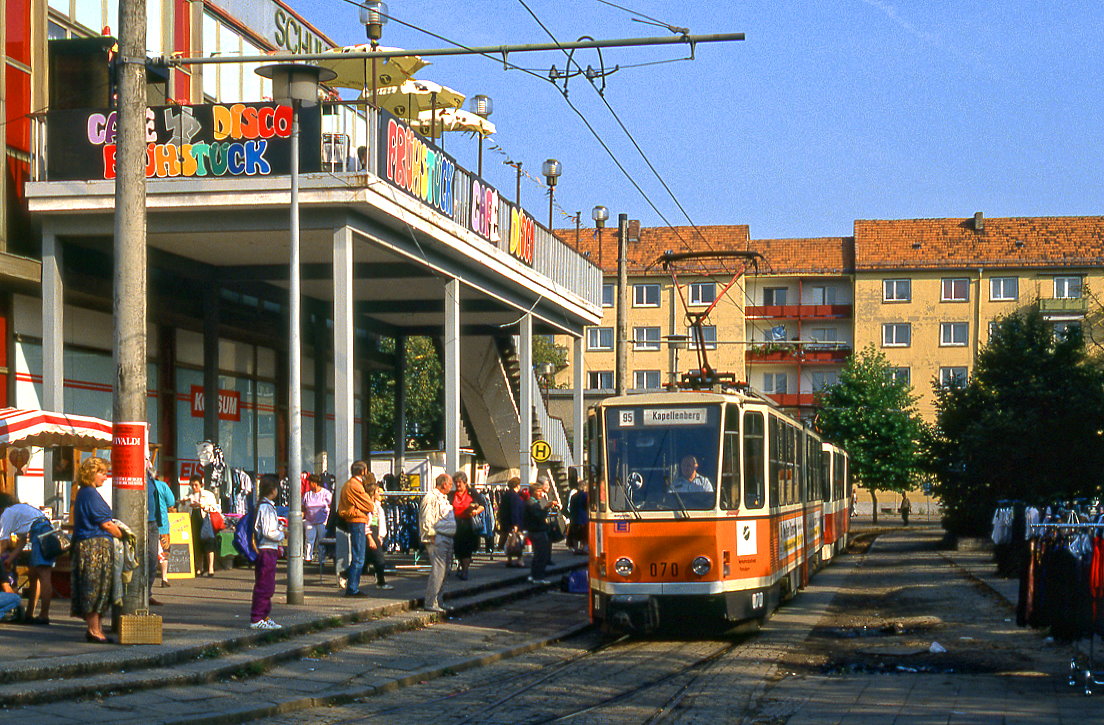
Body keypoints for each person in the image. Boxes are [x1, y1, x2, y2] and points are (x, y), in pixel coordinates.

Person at [70, 456, 123, 644]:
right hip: (94, 547)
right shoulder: (90, 494)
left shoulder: (84, 493)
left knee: (100, 588)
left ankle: (96, 628)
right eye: (102, 473)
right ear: (92, 473)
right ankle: (93, 630)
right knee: (95, 587)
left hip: (91, 545)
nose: (105, 477)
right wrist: (122, 534)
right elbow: (106, 524)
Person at [0, 493, 58, 624]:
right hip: (44, 532)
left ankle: (44, 615)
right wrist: (10, 559)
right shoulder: (19, 510)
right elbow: (21, 542)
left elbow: (3, 542)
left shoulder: (7, 513)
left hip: (40, 535)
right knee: (33, 575)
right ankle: (29, 613)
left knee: (44, 575)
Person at [250, 474, 285, 630]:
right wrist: (283, 534)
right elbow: (268, 531)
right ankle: (257, 617)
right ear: (273, 489)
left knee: (268, 584)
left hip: (269, 548)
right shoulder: (266, 508)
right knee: (264, 585)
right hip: (266, 549)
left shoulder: (266, 506)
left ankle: (264, 615)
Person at [419, 473, 455, 612]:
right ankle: (430, 602)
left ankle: (439, 600)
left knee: (445, 571)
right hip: (437, 539)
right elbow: (426, 518)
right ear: (444, 484)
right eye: (450, 484)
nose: (451, 487)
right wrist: (432, 535)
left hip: (447, 537)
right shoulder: (430, 497)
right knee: (438, 571)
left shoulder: (444, 498)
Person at [337, 461, 373, 597]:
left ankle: (350, 579)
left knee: (359, 556)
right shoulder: (355, 486)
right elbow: (369, 505)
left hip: (355, 520)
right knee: (359, 557)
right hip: (357, 520)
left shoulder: (350, 484)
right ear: (362, 471)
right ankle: (352, 588)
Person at [181, 474, 220, 577]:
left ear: (201, 485)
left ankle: (211, 568)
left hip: (205, 520)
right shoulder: (189, 496)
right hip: (193, 520)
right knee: (196, 544)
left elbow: (215, 508)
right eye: (192, 485)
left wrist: (202, 506)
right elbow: (182, 510)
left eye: (196, 485)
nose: (194, 487)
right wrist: (183, 504)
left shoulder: (208, 495)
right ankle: (199, 568)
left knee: (208, 543)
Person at [523, 478, 560, 585]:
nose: (541, 493)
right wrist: (547, 508)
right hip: (537, 531)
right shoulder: (532, 503)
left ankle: (534, 575)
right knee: (541, 555)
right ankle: (538, 577)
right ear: (532, 492)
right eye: (538, 491)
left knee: (537, 555)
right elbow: (539, 516)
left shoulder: (534, 502)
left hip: (536, 531)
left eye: (541, 491)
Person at [449, 471, 484, 581]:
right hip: (456, 524)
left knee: (467, 549)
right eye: (456, 483)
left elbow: (482, 506)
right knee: (458, 548)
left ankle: (465, 570)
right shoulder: (451, 494)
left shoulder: (472, 492)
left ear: (465, 482)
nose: (458, 485)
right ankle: (461, 567)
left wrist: (475, 511)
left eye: (460, 482)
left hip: (468, 524)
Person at [363, 480, 393, 590]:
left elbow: (381, 522)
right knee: (379, 558)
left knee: (366, 560)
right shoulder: (367, 506)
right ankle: (381, 582)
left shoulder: (377, 506)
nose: (380, 494)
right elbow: (366, 522)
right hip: (370, 532)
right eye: (377, 491)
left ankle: (344, 574)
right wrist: (370, 537)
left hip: (375, 532)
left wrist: (380, 536)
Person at [151, 474, 176, 588]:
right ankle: (164, 578)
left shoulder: (144, 485)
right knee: (164, 551)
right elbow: (171, 502)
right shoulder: (162, 485)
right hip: (162, 524)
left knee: (149, 551)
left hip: (147, 522)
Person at [302, 474, 332, 564]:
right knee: (309, 539)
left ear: (315, 483)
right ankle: (308, 557)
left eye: (310, 483)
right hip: (309, 520)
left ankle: (322, 559)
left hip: (322, 520)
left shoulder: (326, 493)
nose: (309, 485)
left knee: (321, 540)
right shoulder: (307, 494)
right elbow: (303, 506)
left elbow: (330, 505)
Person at [566, 470, 589, 555]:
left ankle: (575, 549)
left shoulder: (573, 496)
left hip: (574, 518)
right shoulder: (585, 495)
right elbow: (587, 506)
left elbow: (570, 507)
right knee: (583, 535)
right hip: (583, 518)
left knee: (575, 536)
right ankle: (584, 548)